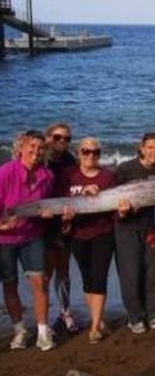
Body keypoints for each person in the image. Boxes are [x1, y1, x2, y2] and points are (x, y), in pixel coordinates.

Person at [57, 138, 117, 344]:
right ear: (78, 152)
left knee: (99, 277)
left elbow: (115, 207)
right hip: (78, 233)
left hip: (103, 233)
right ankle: (97, 319)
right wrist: (69, 210)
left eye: (96, 152)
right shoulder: (68, 175)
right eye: (86, 151)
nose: (91, 155)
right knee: (87, 278)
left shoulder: (108, 176)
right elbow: (60, 202)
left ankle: (94, 328)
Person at [0, 131, 56, 351]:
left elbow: (48, 204)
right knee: (10, 284)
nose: (36, 151)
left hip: (33, 236)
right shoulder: (5, 172)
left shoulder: (47, 176)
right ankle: (20, 330)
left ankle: (43, 332)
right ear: (21, 147)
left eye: (41, 148)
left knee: (39, 283)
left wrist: (49, 213)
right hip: (5, 238)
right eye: (31, 146)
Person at [114, 132, 155, 334]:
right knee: (131, 274)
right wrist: (121, 212)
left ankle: (153, 314)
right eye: (151, 147)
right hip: (125, 227)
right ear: (142, 148)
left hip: (149, 225)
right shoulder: (125, 169)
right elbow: (110, 199)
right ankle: (135, 317)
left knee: (153, 270)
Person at [44, 122, 79, 334]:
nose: (62, 142)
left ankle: (65, 312)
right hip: (42, 220)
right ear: (48, 137)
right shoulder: (40, 158)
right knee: (45, 271)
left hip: (63, 217)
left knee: (63, 269)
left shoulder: (70, 160)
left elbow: (73, 187)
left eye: (66, 139)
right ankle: (45, 318)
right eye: (57, 137)